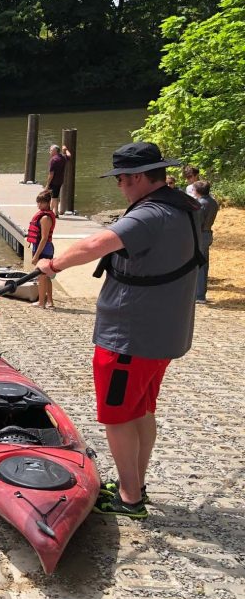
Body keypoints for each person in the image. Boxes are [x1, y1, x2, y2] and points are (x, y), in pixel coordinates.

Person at [35, 142, 203, 518]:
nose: (119, 187)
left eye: (120, 179)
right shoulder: (184, 206)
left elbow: (97, 243)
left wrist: (53, 265)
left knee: (117, 417)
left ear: (137, 178)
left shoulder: (150, 214)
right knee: (141, 410)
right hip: (162, 335)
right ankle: (135, 484)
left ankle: (129, 498)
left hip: (129, 338)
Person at [26, 189, 57, 309]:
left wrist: (36, 255)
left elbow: (44, 238)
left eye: (41, 202)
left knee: (42, 276)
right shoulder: (44, 215)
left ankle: (41, 302)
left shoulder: (45, 218)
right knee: (46, 276)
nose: (39, 205)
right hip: (44, 248)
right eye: (38, 202)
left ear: (48, 203)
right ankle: (50, 302)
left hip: (44, 249)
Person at [193, 179, 219, 304]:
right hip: (207, 233)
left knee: (199, 265)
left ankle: (199, 295)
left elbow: (198, 222)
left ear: (197, 191)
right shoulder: (213, 202)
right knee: (204, 264)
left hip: (201, 234)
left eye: (194, 189)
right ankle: (200, 293)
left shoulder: (200, 204)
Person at [45, 144, 72, 214]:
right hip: (60, 181)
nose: (49, 152)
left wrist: (47, 185)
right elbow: (69, 155)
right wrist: (66, 149)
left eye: (51, 150)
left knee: (53, 197)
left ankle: (52, 212)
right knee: (55, 196)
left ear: (55, 151)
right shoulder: (62, 157)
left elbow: (51, 174)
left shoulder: (53, 160)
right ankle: (54, 212)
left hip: (53, 181)